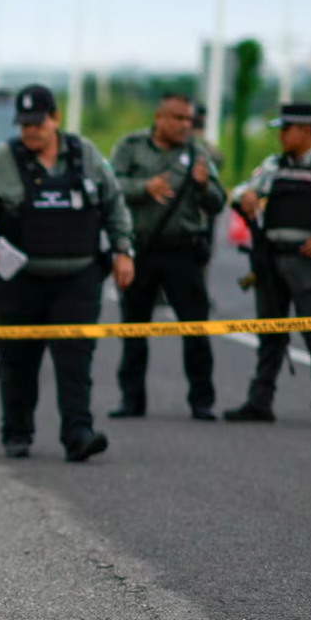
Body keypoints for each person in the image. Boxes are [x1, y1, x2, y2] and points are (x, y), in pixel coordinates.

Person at [0, 84, 135, 462]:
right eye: (24, 124)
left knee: (75, 359)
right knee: (18, 359)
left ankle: (78, 434)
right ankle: (17, 432)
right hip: (20, 280)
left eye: (37, 123)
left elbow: (114, 204)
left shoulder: (86, 155)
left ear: (55, 118)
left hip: (77, 277)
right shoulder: (3, 159)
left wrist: (123, 251)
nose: (30, 131)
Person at [223, 104, 311, 427]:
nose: (280, 135)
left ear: (305, 131)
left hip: (307, 263)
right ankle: (260, 402)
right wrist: (244, 195)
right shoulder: (274, 165)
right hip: (271, 260)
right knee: (269, 335)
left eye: (286, 129)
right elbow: (242, 190)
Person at [108, 94, 227, 420]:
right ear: (159, 117)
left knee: (195, 327)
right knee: (133, 327)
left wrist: (204, 187)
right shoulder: (131, 147)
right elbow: (110, 187)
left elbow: (219, 202)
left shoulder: (197, 153)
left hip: (182, 252)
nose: (184, 125)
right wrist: (143, 187)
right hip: (140, 249)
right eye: (177, 118)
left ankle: (202, 401)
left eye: (189, 120)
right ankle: (131, 400)